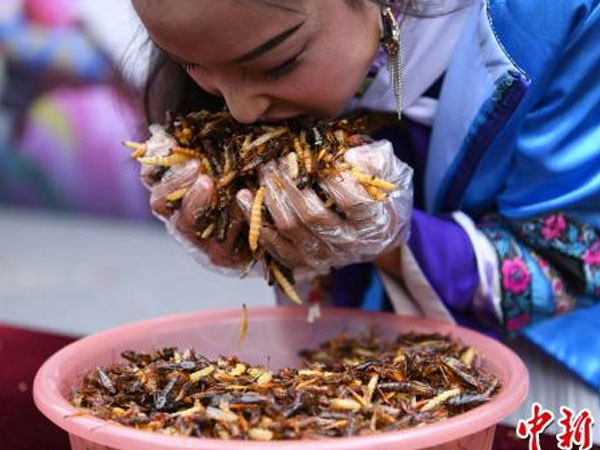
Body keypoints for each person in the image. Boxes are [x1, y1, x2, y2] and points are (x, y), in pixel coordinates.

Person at [131, 0, 600, 433]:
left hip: (548, 385)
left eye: (277, 63)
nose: (241, 109)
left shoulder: (557, 19)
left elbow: (573, 263)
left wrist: (396, 237)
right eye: (192, 64)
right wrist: (241, 219)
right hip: (361, 368)